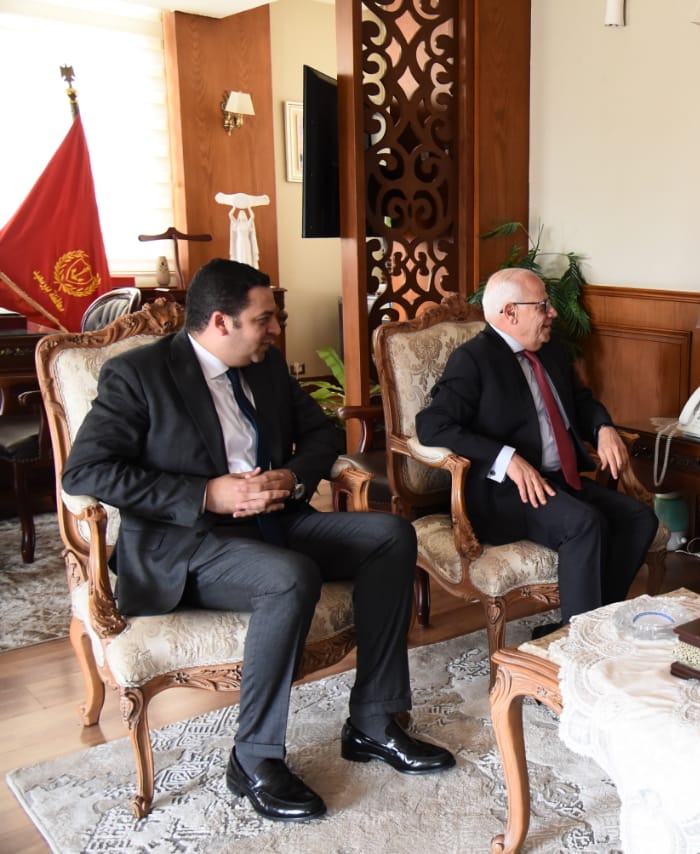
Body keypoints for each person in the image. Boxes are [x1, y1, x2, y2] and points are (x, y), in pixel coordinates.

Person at [62, 258, 455, 823]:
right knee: (288, 576)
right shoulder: (138, 374)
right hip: (187, 544)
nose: (275, 329)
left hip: (274, 521)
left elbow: (320, 433)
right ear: (221, 322)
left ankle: (372, 721)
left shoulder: (264, 365)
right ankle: (253, 757)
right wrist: (206, 494)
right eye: (264, 318)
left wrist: (292, 478)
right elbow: (87, 472)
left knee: (390, 534)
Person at [415, 267, 658, 630]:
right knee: (584, 524)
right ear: (509, 312)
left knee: (639, 518)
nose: (552, 313)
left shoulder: (551, 350)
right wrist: (505, 457)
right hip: (505, 494)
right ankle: (580, 641)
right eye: (543, 305)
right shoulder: (473, 359)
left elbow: (582, 401)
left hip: (558, 481)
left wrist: (603, 427)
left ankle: (581, 629)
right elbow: (432, 424)